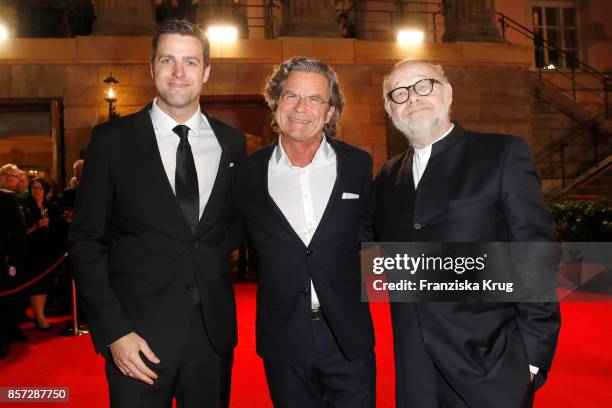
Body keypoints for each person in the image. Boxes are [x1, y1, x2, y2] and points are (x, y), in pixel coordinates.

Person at [69, 18, 246, 407]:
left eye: (190, 61)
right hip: (136, 339)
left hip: (211, 337)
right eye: (168, 60)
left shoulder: (231, 143)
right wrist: (114, 332)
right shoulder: (111, 141)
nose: (179, 73)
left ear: (207, 71)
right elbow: (85, 241)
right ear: (152, 68)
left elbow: (231, 227)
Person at [373, 59, 561, 407]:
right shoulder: (386, 177)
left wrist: (532, 354)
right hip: (416, 373)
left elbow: (535, 252)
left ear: (448, 92)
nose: (412, 97)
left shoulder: (501, 154)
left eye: (423, 85)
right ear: (389, 108)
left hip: (491, 362)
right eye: (398, 93)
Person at [232, 56, 376, 407]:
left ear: (330, 112)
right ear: (276, 103)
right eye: (291, 96)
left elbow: (372, 233)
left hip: (347, 334)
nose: (301, 108)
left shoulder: (358, 165)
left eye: (314, 99)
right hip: (283, 337)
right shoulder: (246, 174)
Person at [23, 178, 62, 331]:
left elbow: (56, 225)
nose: (36, 191)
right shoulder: (25, 205)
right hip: (31, 250)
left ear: (45, 191)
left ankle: (40, 314)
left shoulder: (49, 206)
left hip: (47, 251)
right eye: (34, 187)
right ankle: (39, 316)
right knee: (36, 284)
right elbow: (21, 231)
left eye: (39, 188)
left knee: (45, 283)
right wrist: (37, 226)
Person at [0, 187, 26, 358]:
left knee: (1, 303)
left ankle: (2, 343)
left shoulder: (7, 198)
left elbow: (19, 229)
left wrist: (10, 256)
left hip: (1, 258)